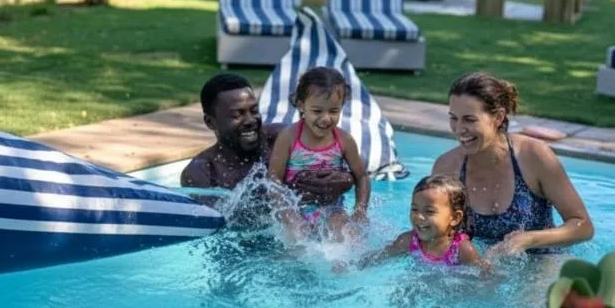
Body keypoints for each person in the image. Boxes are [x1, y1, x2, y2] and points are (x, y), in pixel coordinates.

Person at [432, 71, 594, 257]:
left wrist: (527, 239)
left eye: (469, 119)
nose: (459, 129)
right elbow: (435, 233)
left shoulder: (533, 156)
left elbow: (583, 226)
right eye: (453, 118)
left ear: (498, 117)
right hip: (478, 263)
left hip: (541, 260)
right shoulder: (446, 168)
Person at [180, 73, 354, 218]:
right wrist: (282, 194)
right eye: (236, 115)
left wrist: (345, 180)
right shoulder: (201, 172)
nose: (250, 120)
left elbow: (340, 162)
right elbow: (217, 223)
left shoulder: (281, 138)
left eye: (254, 111)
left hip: (306, 235)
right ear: (211, 122)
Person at [267, 66, 370, 241]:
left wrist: (360, 210)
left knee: (343, 237)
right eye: (317, 111)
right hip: (296, 207)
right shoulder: (289, 138)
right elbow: (273, 179)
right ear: (301, 106)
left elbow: (362, 176)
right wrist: (287, 210)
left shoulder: (344, 141)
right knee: (296, 237)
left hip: (332, 210)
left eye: (333, 111)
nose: (325, 118)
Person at [334, 175, 492, 275]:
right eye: (414, 209)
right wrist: (351, 266)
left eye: (429, 212)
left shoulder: (462, 250)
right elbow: (379, 256)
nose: (419, 217)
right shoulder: (409, 241)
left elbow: (485, 274)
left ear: (455, 218)